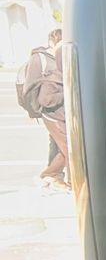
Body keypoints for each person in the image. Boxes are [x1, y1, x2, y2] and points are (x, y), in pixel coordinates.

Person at [15, 28, 70, 190]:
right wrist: (34, 109)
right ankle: (54, 177)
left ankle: (51, 176)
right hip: (51, 112)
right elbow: (33, 90)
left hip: (59, 112)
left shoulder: (58, 57)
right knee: (66, 148)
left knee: (61, 147)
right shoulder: (41, 59)